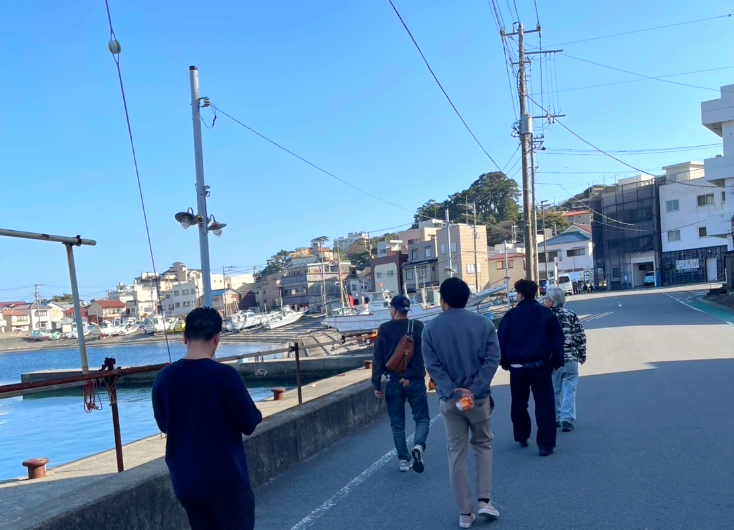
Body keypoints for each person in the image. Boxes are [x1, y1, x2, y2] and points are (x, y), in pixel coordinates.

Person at [152, 308, 262, 530]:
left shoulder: (163, 378)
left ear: (185, 338)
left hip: (186, 481)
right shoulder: (226, 375)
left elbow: (164, 424)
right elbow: (249, 423)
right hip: (227, 479)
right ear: (217, 338)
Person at [423, 278, 501, 528]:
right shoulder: (484, 324)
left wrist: (452, 392)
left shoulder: (430, 329)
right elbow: (492, 359)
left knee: (456, 453)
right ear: (467, 299)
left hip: (451, 401)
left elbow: (433, 366)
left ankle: (465, 513)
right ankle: (484, 500)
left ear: (443, 300)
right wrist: (474, 390)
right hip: (478, 399)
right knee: (483, 444)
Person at [498, 279, 564, 457]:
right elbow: (557, 340)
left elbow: (501, 341)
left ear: (520, 295)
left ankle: (522, 435)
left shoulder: (510, 316)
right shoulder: (545, 313)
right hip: (541, 365)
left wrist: (505, 363)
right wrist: (556, 362)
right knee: (544, 404)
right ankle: (546, 444)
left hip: (517, 367)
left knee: (519, 403)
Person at [372, 295, 430, 473]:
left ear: (394, 309)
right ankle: (418, 446)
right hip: (416, 380)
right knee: (421, 418)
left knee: (397, 424)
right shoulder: (418, 326)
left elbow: (378, 359)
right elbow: (427, 353)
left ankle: (404, 460)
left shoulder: (384, 329)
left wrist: (376, 384)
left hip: (394, 381)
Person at [544, 287, 587, 432]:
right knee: (569, 390)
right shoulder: (571, 314)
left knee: (553, 390)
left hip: (551, 360)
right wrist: (582, 354)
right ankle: (567, 419)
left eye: (546, 298)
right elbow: (580, 336)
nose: (544, 300)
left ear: (552, 301)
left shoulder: (544, 316)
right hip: (570, 358)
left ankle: (556, 417)